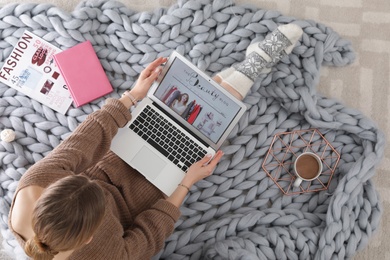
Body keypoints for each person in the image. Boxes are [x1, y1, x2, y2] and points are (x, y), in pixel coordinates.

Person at [8, 23, 303, 260]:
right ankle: (251, 68)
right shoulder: (103, 255)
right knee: (202, 128)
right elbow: (148, 236)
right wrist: (187, 182)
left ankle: (241, 75)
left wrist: (132, 96)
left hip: (112, 156)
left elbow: (85, 140)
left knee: (172, 114)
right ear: (88, 238)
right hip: (144, 191)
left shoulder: (33, 185)